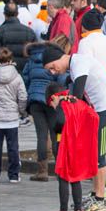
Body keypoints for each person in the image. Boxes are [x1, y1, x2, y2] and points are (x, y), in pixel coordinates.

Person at [41, 44, 106, 211]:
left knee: (99, 154)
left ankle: (100, 198)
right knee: (94, 153)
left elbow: (77, 95)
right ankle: (95, 193)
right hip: (100, 111)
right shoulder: (74, 66)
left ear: (59, 57)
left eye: (52, 67)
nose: (53, 72)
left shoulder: (78, 62)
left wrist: (62, 102)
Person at [45, 81, 96, 211]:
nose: (52, 107)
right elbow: (93, 115)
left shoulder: (62, 105)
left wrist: (56, 128)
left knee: (63, 176)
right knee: (76, 177)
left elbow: (60, 122)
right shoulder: (76, 101)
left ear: (54, 97)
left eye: (51, 103)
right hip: (77, 145)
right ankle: (79, 209)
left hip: (63, 144)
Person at [23, 41, 68, 182]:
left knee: (41, 135)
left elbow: (25, 79)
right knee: (56, 135)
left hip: (35, 101)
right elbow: (61, 79)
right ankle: (60, 169)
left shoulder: (31, 59)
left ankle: (42, 171)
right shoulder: (54, 59)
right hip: (52, 100)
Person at [0, 48, 27, 184]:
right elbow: (22, 96)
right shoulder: (17, 77)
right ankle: (14, 175)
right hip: (12, 117)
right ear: (11, 60)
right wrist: (21, 111)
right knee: (13, 147)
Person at [0, 3, 36, 72]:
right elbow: (34, 54)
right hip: (25, 71)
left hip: (6, 71)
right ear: (17, 14)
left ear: (4, 14)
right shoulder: (29, 32)